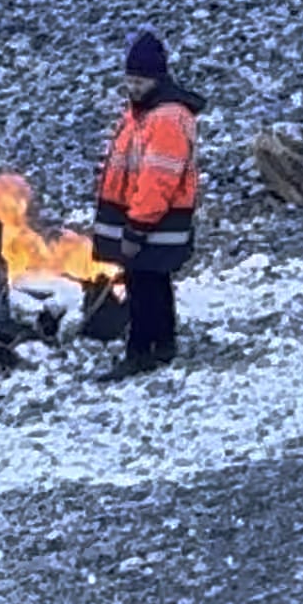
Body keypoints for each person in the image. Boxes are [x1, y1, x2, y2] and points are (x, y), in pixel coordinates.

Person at [91, 31, 205, 381]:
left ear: (157, 79)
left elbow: (158, 180)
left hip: (153, 221)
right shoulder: (143, 113)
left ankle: (140, 352)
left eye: (140, 81)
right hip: (148, 218)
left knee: (143, 285)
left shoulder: (165, 118)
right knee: (154, 282)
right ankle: (163, 345)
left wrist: (136, 227)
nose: (133, 88)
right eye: (130, 80)